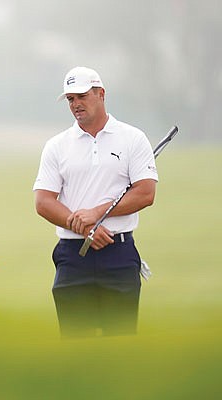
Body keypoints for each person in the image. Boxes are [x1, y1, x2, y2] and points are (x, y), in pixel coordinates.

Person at [33, 66, 158, 338]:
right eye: (70, 99)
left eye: (82, 96)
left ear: (101, 94)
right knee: (76, 345)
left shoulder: (132, 138)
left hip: (119, 252)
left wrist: (97, 213)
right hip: (72, 255)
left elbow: (146, 192)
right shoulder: (57, 145)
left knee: (120, 342)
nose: (76, 104)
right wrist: (82, 226)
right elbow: (43, 201)